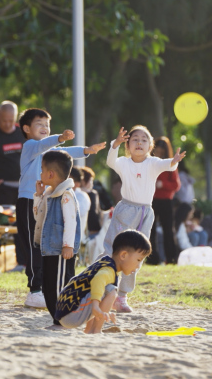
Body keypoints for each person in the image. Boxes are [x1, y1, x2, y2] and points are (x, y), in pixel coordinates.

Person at [16, 108, 106, 308]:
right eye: (39, 124)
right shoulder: (31, 146)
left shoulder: (48, 150)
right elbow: (49, 144)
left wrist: (86, 150)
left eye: (47, 125)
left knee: (44, 243)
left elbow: (65, 153)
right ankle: (35, 290)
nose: (44, 128)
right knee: (33, 245)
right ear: (26, 128)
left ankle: (49, 287)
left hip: (45, 200)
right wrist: (60, 137)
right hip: (29, 201)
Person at [103, 126, 185, 313]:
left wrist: (175, 161)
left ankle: (122, 296)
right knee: (112, 249)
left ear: (150, 146)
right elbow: (110, 161)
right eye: (135, 139)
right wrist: (114, 144)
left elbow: (169, 165)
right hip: (125, 209)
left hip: (145, 213)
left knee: (137, 255)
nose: (139, 142)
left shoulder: (153, 163)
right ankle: (105, 288)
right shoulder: (123, 162)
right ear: (128, 145)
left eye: (144, 140)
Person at [56, 230, 152, 333]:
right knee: (111, 291)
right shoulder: (109, 270)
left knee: (104, 289)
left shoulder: (104, 262)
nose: (138, 266)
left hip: (63, 310)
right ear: (123, 255)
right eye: (138, 260)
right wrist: (96, 306)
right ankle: (96, 330)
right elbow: (98, 280)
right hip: (71, 312)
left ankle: (89, 330)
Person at [33, 151, 82, 328]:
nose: (40, 174)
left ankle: (63, 318)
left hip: (62, 250)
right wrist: (38, 196)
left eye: (42, 170)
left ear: (50, 174)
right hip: (49, 248)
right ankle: (57, 318)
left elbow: (71, 222)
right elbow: (38, 216)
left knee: (60, 286)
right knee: (47, 286)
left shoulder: (66, 195)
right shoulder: (49, 193)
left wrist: (68, 246)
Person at [149, 136, 181, 265]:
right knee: (150, 230)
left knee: (168, 230)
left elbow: (176, 185)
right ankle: (152, 258)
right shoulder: (150, 163)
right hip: (151, 200)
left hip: (166, 201)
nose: (158, 154)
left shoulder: (170, 164)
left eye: (161, 152)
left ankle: (171, 258)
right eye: (157, 151)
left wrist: (163, 185)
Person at [69, 167, 91, 240]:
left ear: (77, 184)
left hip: (75, 242)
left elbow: (76, 214)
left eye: (68, 179)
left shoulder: (82, 197)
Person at [80, 166, 102, 237]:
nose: (92, 183)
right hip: (92, 232)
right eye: (90, 180)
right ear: (83, 181)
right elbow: (94, 214)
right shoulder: (92, 194)